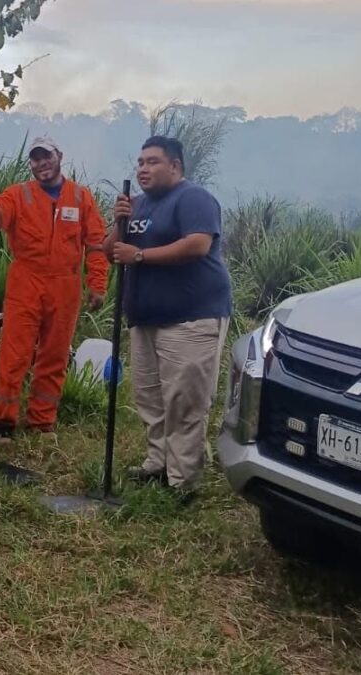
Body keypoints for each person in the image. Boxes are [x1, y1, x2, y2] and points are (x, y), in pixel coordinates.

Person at [105, 135, 233, 503]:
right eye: (140, 162)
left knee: (184, 400)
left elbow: (197, 244)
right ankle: (157, 464)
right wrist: (119, 222)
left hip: (190, 318)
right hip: (146, 319)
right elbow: (109, 249)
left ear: (175, 166)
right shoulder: (139, 206)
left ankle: (183, 481)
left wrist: (141, 257)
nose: (143, 168)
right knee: (150, 397)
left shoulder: (193, 198)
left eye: (153, 162)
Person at [0, 136, 109, 441]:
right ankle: (2, 423)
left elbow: (96, 244)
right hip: (25, 282)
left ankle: (42, 422)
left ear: (60, 156)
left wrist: (97, 284)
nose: (41, 163)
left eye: (47, 156)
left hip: (66, 286)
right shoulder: (20, 194)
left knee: (54, 355)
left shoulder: (81, 197)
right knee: (14, 354)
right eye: (36, 158)